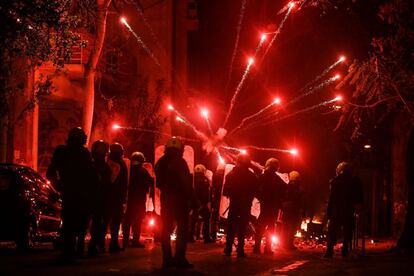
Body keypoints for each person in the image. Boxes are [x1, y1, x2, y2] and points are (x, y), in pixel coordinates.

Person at [46, 127, 98, 259]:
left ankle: (69, 251)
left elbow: (51, 172)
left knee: (70, 223)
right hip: (78, 195)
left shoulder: (63, 151)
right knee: (76, 223)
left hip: (71, 194)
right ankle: (72, 251)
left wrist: (56, 187)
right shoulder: (81, 153)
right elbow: (92, 176)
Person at [155, 137, 197, 269]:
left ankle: (167, 259)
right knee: (182, 229)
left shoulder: (160, 162)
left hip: (166, 198)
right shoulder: (181, 162)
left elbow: (159, 183)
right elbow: (186, 183)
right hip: (179, 199)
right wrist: (193, 199)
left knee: (166, 229)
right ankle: (180, 258)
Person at [324, 162, 363, 258]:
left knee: (332, 230)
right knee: (348, 230)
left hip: (336, 210)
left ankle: (329, 250)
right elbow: (358, 196)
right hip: (349, 210)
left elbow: (331, 199)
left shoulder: (335, 181)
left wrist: (329, 213)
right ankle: (345, 249)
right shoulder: (355, 181)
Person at [223, 154, 258, 257]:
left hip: (234, 204)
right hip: (245, 205)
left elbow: (225, 192)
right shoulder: (252, 176)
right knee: (242, 228)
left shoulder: (230, 175)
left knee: (231, 227)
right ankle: (240, 250)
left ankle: (228, 249)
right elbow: (255, 191)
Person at [253, 158, 286, 254]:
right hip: (273, 206)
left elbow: (256, 189)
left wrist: (261, 197)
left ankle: (257, 247)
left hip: (265, 205)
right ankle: (267, 248)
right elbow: (285, 189)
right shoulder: (277, 179)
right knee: (271, 227)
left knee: (261, 226)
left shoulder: (262, 177)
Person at [122, 152, 154, 248]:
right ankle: (135, 241)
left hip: (129, 199)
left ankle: (125, 240)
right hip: (139, 200)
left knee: (127, 220)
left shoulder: (128, 170)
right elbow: (151, 182)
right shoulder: (143, 171)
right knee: (137, 221)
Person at [88, 140, 112, 256]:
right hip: (101, 199)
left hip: (89, 198)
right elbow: (108, 185)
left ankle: (79, 249)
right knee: (99, 222)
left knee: (87, 222)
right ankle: (94, 246)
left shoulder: (89, 166)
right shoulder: (106, 168)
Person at [104, 143, 128, 252]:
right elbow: (124, 182)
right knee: (116, 221)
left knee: (104, 220)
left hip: (106, 195)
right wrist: (124, 197)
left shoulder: (106, 162)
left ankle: (98, 243)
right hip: (117, 197)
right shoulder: (121, 164)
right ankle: (113, 244)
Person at [189, 164, 214, 243]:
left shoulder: (191, 179)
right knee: (207, 218)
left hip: (193, 203)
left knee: (193, 220)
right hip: (202, 203)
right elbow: (206, 193)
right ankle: (207, 237)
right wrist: (205, 203)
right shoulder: (205, 180)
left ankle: (190, 237)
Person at [282, 171, 303, 250]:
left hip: (286, 208)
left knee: (285, 227)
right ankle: (289, 244)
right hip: (294, 209)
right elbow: (300, 200)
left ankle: (284, 244)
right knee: (292, 227)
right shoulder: (299, 189)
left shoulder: (286, 187)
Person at [211, 164, 225, 241]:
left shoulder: (215, 176)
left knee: (214, 217)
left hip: (216, 199)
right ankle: (214, 234)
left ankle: (213, 234)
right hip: (220, 199)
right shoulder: (222, 177)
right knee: (216, 217)